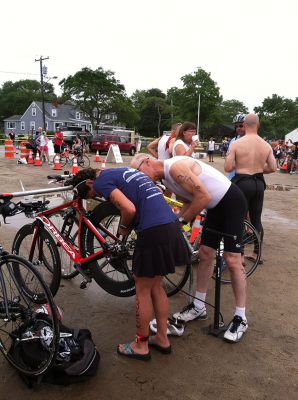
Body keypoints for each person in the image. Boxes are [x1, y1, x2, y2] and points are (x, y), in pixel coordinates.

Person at [70, 167, 190, 360]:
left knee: (142, 289)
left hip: (153, 231)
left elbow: (129, 208)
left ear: (90, 183)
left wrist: (123, 228)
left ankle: (141, 345)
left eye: (93, 194)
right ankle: (162, 338)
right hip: (171, 225)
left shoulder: (100, 182)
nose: (98, 196)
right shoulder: (124, 171)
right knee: (156, 287)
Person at [131, 154, 249, 343]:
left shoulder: (176, 169)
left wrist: (181, 222)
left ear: (147, 162)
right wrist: (174, 225)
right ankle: (198, 305)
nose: (140, 178)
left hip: (231, 201)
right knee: (205, 254)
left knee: (232, 259)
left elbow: (202, 197)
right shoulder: (167, 180)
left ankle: (241, 317)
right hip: (215, 208)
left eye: (138, 173)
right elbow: (188, 202)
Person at [224, 113, 277, 262]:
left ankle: (239, 254)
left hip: (242, 181)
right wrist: (258, 168)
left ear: (245, 125)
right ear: (258, 125)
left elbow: (228, 167)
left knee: (239, 218)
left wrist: (241, 165)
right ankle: (256, 253)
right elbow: (273, 167)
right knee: (256, 219)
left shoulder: (236, 144)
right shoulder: (266, 145)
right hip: (259, 183)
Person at [226, 113, 246, 180]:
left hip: (245, 178)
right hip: (232, 176)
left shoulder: (252, 140)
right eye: (236, 126)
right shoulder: (233, 140)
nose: (238, 128)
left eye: (240, 126)